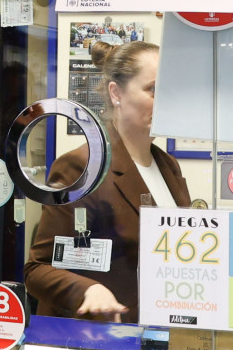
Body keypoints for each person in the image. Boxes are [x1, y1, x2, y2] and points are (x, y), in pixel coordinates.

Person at [24, 41, 190, 323]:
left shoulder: (168, 166)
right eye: (153, 90)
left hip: (158, 331)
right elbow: (37, 270)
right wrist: (89, 290)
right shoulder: (83, 167)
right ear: (116, 93)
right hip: (100, 339)